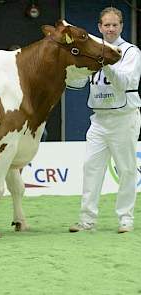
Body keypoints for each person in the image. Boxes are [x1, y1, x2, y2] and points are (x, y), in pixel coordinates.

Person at [69, 7, 141, 233]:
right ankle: (87, 220)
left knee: (127, 169)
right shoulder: (92, 51)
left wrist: (106, 63)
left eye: (115, 25)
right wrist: (71, 68)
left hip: (124, 118)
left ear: (121, 26)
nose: (110, 29)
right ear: (99, 27)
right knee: (91, 168)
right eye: (106, 25)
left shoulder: (130, 52)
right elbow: (78, 84)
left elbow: (125, 82)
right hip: (99, 120)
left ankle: (125, 219)